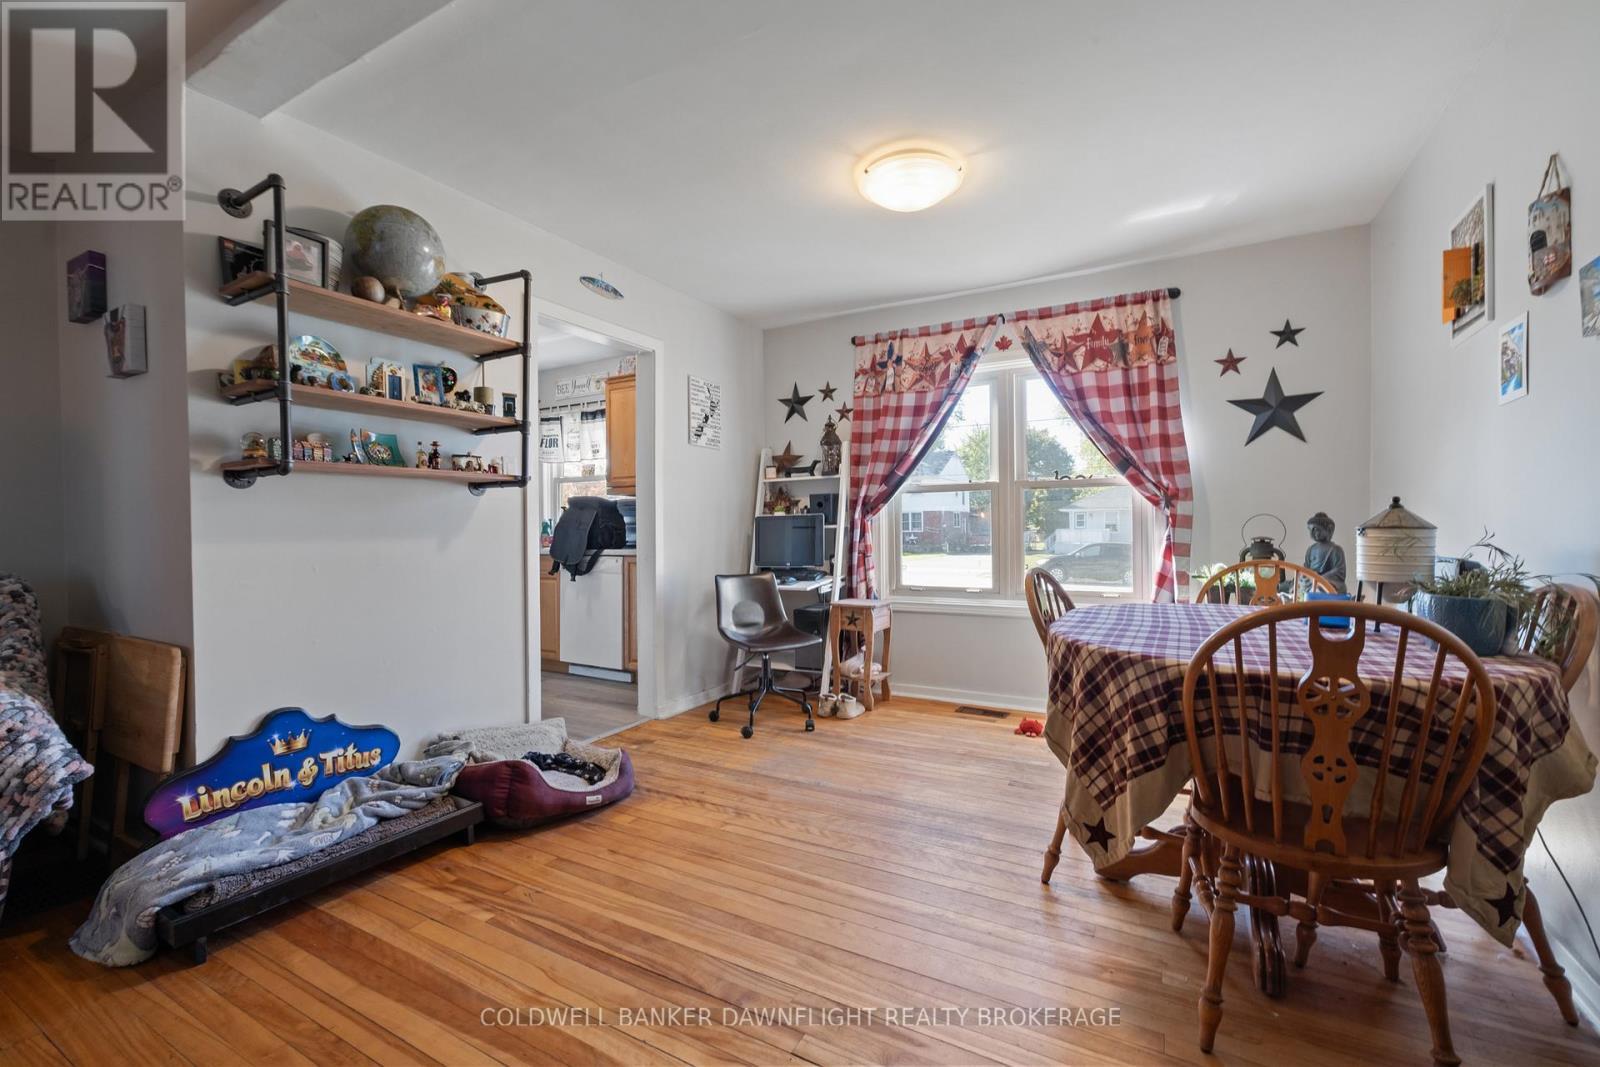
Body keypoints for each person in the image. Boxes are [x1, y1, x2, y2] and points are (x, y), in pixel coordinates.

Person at [1303, 512, 1347, 594]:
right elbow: (1305, 569)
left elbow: (1339, 571)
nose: (1312, 533)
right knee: (1292, 586)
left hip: (1327, 583)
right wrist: (1305, 578)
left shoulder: (1335, 549)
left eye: (1316, 530)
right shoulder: (1311, 549)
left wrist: (1320, 579)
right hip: (1311, 582)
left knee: (1320, 589)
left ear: (1329, 529)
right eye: (1310, 530)